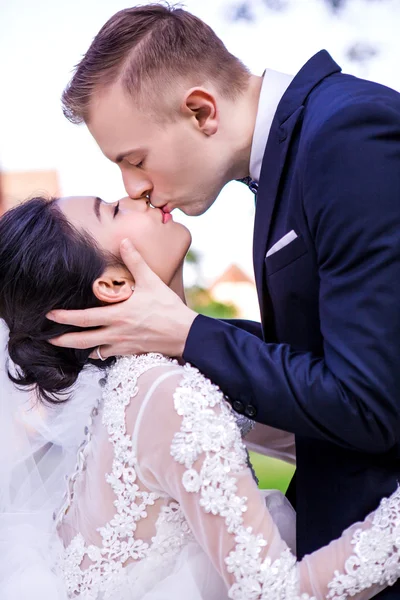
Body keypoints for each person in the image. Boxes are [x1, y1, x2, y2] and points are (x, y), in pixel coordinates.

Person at [50, 8, 400, 595]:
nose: (132, 187)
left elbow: (368, 398)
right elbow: (320, 355)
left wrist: (189, 334)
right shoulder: (298, 155)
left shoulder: (345, 137)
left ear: (200, 110)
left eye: (133, 160)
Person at [1, 194, 400, 599]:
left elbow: (318, 430)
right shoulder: (164, 391)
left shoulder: (144, 380)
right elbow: (274, 592)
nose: (135, 195)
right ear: (112, 285)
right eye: (114, 210)